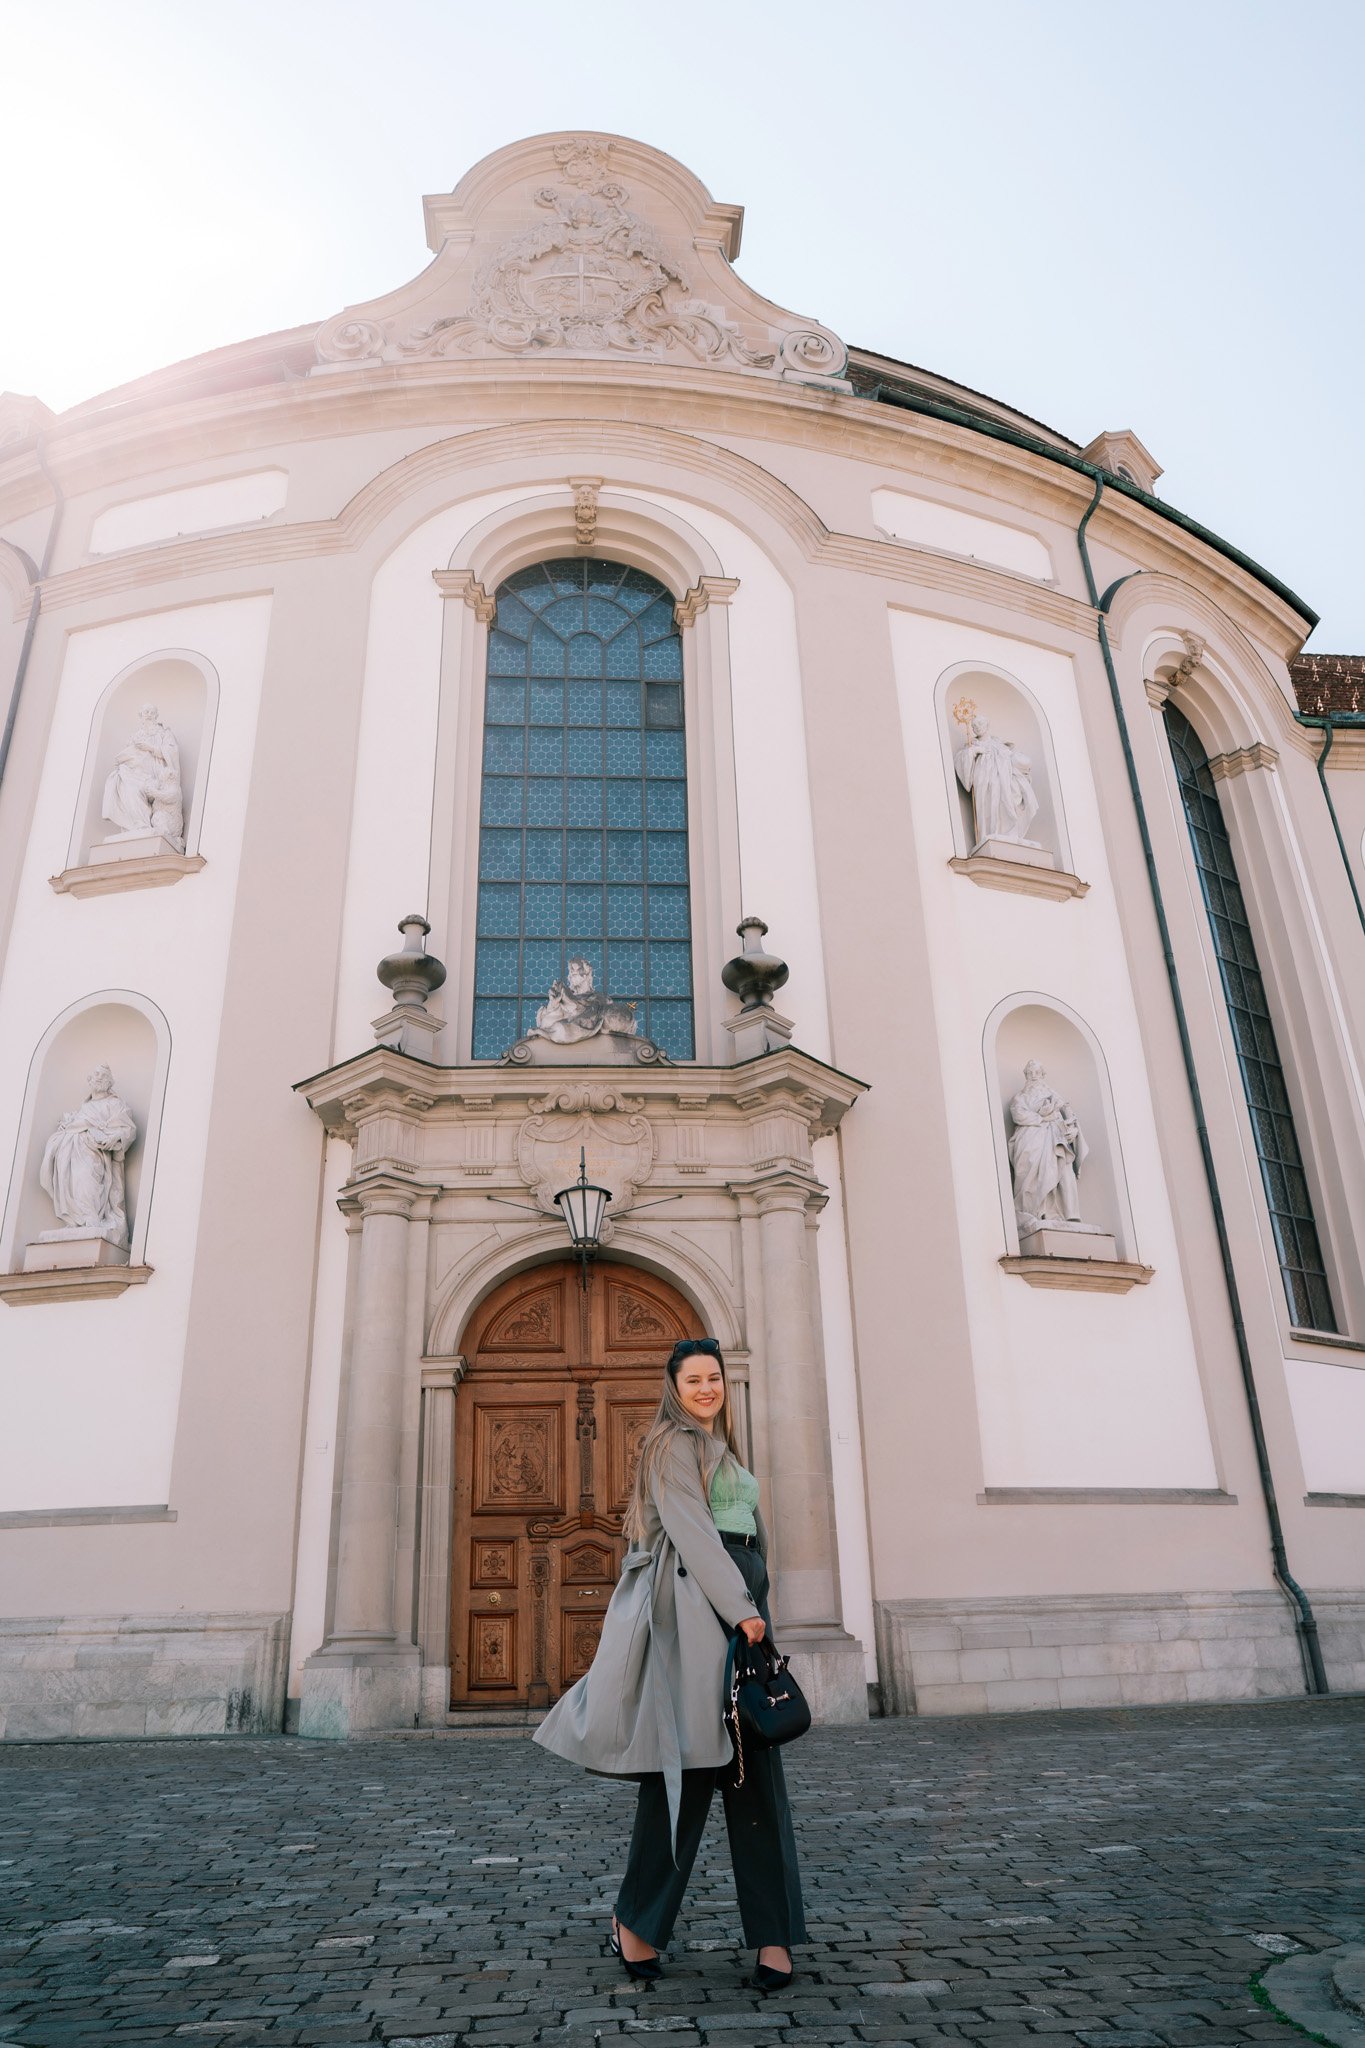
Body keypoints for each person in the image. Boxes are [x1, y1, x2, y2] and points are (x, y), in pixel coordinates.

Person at [533, 1336, 804, 1992]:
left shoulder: (722, 1448)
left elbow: (748, 1532)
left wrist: (756, 1599)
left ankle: (774, 1939)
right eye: (693, 1380)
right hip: (694, 1607)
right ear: (673, 1388)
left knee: (754, 1773)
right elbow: (689, 1528)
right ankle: (637, 1923)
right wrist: (741, 1607)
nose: (706, 1388)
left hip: (738, 1598)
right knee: (682, 1771)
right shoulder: (670, 1443)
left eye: (714, 1377)